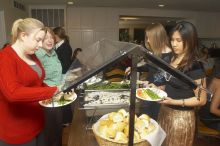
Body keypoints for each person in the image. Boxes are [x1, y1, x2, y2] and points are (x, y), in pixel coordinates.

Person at [0, 18, 58, 146]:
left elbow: (37, 82)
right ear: (23, 36)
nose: (40, 45)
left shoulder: (31, 55)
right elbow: (13, 93)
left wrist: (56, 89)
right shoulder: (5, 57)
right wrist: (51, 91)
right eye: (38, 40)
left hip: (37, 122)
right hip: (17, 130)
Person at [158, 21, 207, 146]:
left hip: (181, 118)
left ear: (189, 40)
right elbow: (169, 82)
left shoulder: (195, 66)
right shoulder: (170, 58)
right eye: (172, 40)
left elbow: (201, 100)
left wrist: (173, 102)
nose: (174, 44)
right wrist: (157, 87)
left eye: (178, 40)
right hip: (164, 111)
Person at [35, 27, 63, 146]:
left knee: (57, 130)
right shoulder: (37, 55)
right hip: (46, 99)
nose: (50, 40)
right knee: (48, 133)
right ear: (40, 40)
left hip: (58, 97)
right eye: (46, 38)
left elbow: (57, 74)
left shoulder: (53, 52)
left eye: (51, 37)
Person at [139, 23, 172, 120]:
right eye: (147, 37)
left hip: (161, 99)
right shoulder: (155, 54)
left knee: (156, 125)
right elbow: (153, 72)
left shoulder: (172, 57)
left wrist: (160, 87)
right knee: (144, 121)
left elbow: (173, 82)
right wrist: (147, 81)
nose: (148, 41)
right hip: (149, 93)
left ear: (158, 37)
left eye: (150, 37)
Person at [53, 27, 73, 126]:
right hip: (61, 75)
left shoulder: (65, 46)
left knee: (65, 98)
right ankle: (64, 119)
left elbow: (65, 64)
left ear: (57, 35)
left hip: (64, 75)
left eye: (54, 36)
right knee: (62, 98)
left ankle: (67, 120)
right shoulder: (58, 45)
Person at [199, 58, 220, 131]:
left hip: (203, 113)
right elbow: (213, 110)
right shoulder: (219, 83)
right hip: (208, 118)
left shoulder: (214, 78)